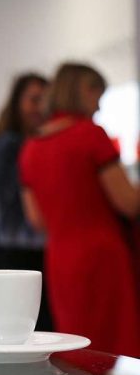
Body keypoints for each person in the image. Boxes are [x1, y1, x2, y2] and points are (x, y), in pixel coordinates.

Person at [20, 62, 140, 357]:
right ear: (84, 90)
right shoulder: (90, 135)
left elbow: (36, 220)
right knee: (113, 348)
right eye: (98, 94)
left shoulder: (31, 149)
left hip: (60, 258)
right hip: (102, 256)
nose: (98, 106)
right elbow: (128, 202)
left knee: (76, 348)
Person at [0, 73, 54, 331]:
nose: (40, 108)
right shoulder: (6, 148)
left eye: (45, 100)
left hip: (28, 257)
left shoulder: (29, 147)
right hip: (12, 260)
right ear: (16, 103)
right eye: (34, 100)